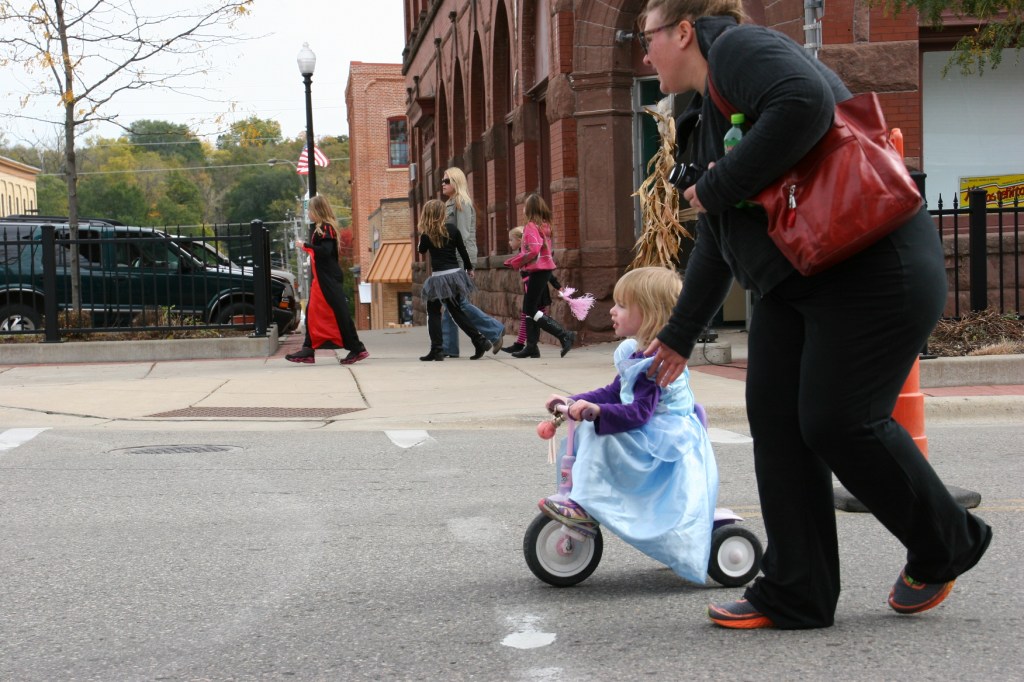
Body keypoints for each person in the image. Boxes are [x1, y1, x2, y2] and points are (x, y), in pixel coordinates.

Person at [638, 0, 991, 629]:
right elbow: (721, 238)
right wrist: (678, 336)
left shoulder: (740, 51)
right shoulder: (702, 118)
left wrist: (720, 184)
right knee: (776, 424)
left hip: (872, 264)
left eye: (649, 37)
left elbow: (803, 101)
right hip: (798, 281)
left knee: (837, 420)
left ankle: (947, 542)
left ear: (684, 30)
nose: (646, 54)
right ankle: (797, 590)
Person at [540, 266, 718, 584]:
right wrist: (573, 400)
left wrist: (597, 413)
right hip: (655, 428)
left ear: (648, 314)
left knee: (600, 436)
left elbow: (638, 413)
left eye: (622, 305)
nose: (612, 309)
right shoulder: (636, 353)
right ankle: (582, 500)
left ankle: (583, 505)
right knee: (588, 430)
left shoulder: (655, 364)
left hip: (665, 437)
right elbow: (613, 392)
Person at [286, 195, 369, 366]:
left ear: (317, 211)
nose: (308, 213)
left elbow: (325, 251)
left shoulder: (326, 228)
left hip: (328, 278)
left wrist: (305, 246)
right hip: (323, 277)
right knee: (313, 312)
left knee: (339, 312)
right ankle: (308, 349)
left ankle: (357, 348)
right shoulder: (321, 228)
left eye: (309, 210)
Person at [416, 199, 492, 362]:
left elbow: (421, 250)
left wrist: (422, 235)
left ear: (426, 215)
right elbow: (462, 250)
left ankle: (436, 349)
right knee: (456, 311)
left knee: (434, 311)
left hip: (438, 278)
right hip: (454, 275)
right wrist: (469, 268)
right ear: (442, 213)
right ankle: (480, 341)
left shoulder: (426, 234)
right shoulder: (452, 229)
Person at [440, 167, 504, 357]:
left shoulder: (462, 203)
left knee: (458, 303)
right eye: (443, 181)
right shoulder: (450, 203)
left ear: (456, 182)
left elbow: (463, 236)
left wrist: (465, 264)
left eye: (447, 181)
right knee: (451, 303)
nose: (443, 184)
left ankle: (494, 329)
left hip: (458, 259)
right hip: (452, 260)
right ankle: (448, 347)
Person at [503, 193, 576, 358]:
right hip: (545, 269)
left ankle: (563, 335)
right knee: (531, 309)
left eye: (524, 206)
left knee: (529, 308)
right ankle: (531, 346)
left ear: (529, 209)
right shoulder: (545, 225)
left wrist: (516, 261)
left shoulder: (531, 226)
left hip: (537, 270)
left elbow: (534, 250)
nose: (522, 209)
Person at [502, 225, 563, 355]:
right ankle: (527, 346)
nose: (509, 242)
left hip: (536, 288)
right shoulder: (523, 255)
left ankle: (563, 335)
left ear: (520, 240)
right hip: (530, 288)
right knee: (529, 317)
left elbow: (547, 273)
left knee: (537, 316)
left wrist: (558, 286)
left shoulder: (529, 255)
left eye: (511, 240)